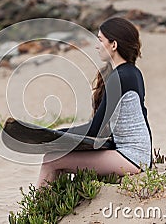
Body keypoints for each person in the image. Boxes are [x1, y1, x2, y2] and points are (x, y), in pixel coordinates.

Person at [36, 17, 152, 187]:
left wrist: (54, 134)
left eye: (100, 40)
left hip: (132, 157)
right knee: (57, 158)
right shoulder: (132, 72)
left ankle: (40, 211)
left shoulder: (120, 77)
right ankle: (55, 207)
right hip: (139, 155)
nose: (97, 46)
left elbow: (95, 129)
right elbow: (143, 115)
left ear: (114, 45)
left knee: (50, 160)